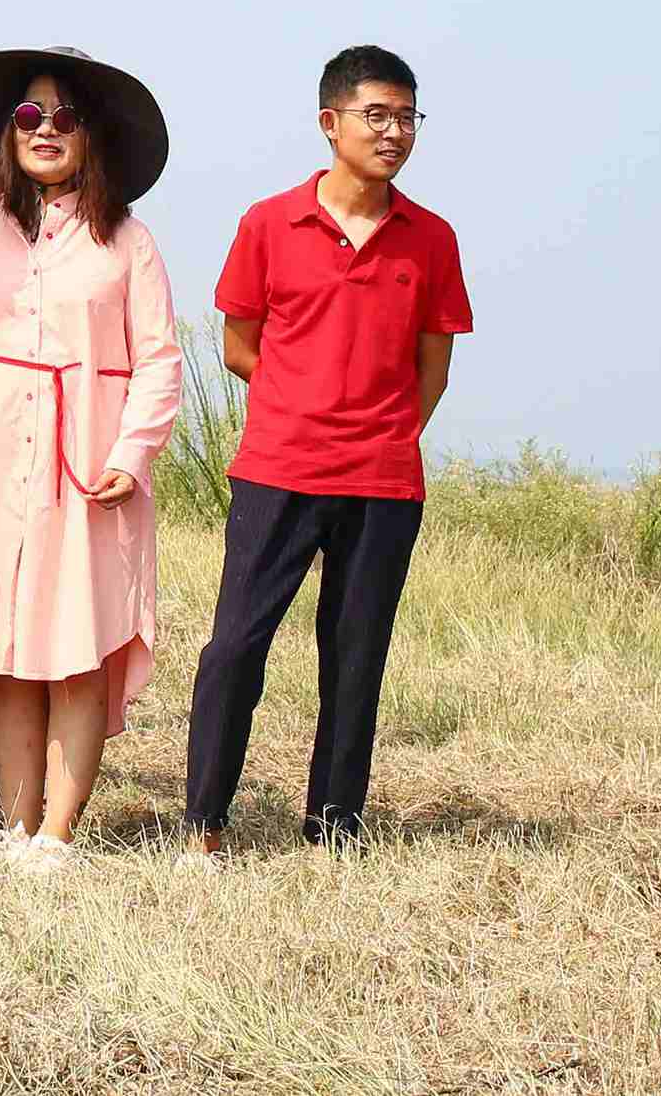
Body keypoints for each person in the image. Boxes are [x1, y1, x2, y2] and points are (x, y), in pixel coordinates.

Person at [183, 45, 470, 857]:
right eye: (375, 114)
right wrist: (303, 404)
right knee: (235, 641)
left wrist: (379, 433)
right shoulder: (268, 222)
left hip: (383, 479)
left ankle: (335, 823)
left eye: (406, 116)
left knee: (354, 652)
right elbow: (241, 344)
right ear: (329, 122)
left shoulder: (431, 238)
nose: (393, 132)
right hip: (277, 468)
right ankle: (204, 819)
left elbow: (432, 367)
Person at [0, 50, 183, 870]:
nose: (44, 129)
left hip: (89, 469)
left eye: (63, 116)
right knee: (5, 649)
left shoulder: (127, 241)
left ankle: (57, 834)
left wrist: (131, 451)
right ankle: (12, 823)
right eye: (28, 115)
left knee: (74, 647)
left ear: (89, 136)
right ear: (7, 130)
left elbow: (159, 359)